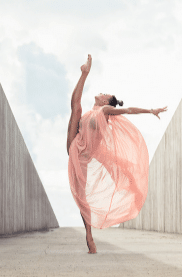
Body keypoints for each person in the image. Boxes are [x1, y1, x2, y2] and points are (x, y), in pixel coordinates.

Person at [66, 54, 167, 254]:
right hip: (75, 145)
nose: (101, 93)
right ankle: (84, 73)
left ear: (106, 101)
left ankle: (89, 236)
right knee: (75, 107)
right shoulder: (89, 114)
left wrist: (150, 110)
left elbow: (128, 110)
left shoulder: (104, 110)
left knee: (83, 194)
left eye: (104, 93)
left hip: (84, 155)